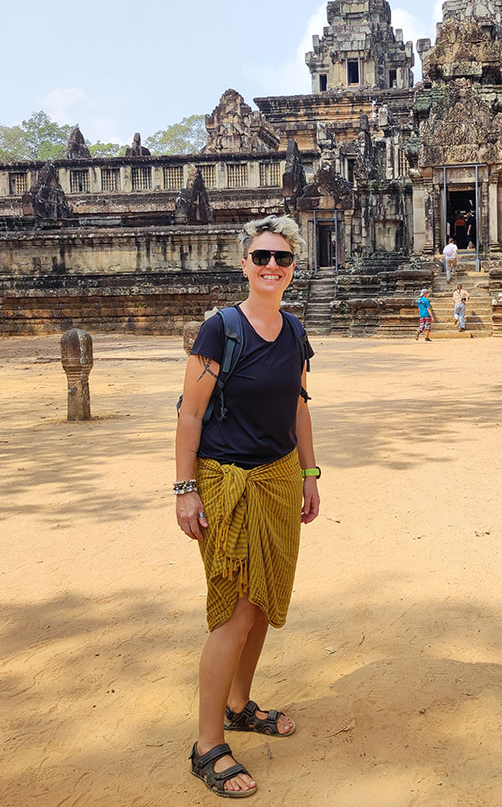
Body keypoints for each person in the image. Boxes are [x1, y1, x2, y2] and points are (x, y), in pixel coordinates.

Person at [175, 215, 321, 798]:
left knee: (261, 601)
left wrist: (310, 473)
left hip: (279, 479)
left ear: (293, 268)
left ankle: (238, 705)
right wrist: (185, 489)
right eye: (261, 257)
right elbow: (190, 413)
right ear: (244, 263)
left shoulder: (295, 332)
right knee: (235, 607)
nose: (271, 267)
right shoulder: (220, 330)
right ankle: (207, 745)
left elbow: (300, 407)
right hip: (224, 480)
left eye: (282, 259)